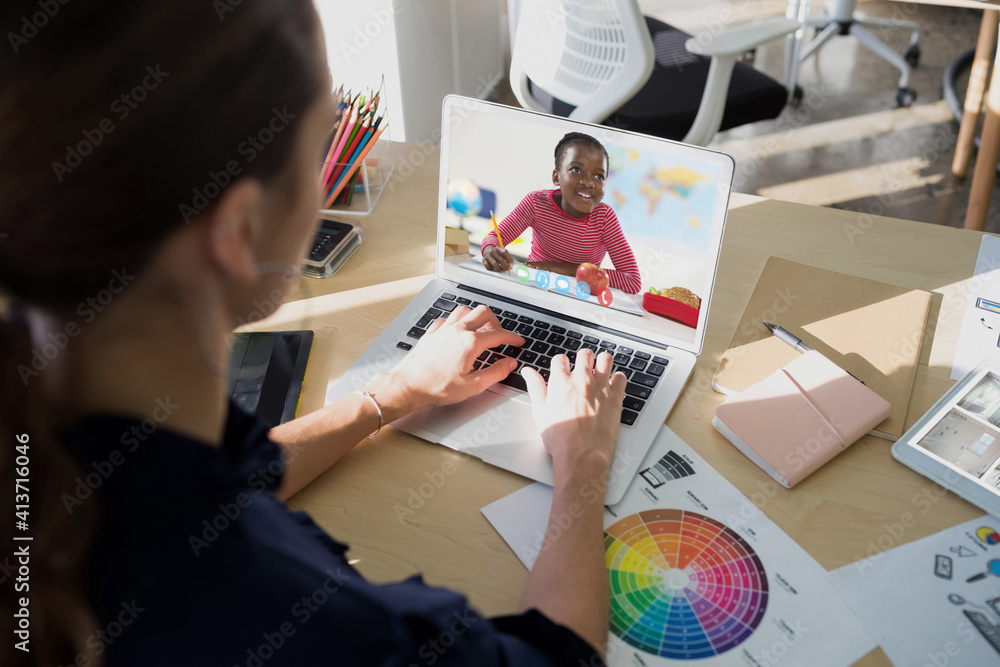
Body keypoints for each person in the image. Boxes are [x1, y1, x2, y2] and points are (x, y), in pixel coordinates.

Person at [0, 1, 627, 666]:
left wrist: (388, 395)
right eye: (323, 140)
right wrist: (581, 462)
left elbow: (200, 488)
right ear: (238, 231)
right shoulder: (325, 630)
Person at [481, 132, 642, 294]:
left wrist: (569, 269)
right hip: (535, 289)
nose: (588, 182)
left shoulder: (605, 218)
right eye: (576, 169)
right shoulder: (536, 203)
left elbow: (632, 281)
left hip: (579, 300)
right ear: (556, 177)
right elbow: (494, 238)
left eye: (599, 176)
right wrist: (490, 250)